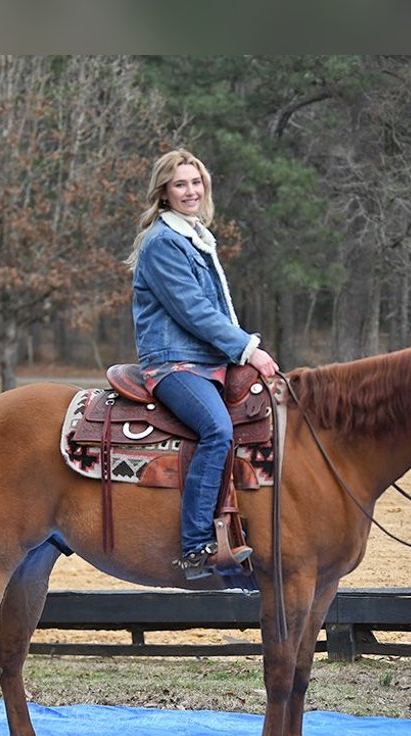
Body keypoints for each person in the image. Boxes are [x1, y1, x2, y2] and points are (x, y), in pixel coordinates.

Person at [125, 148, 280, 580]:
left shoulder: (195, 236)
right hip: (175, 363)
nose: (190, 191)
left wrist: (238, 351)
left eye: (196, 183)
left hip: (206, 361)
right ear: (164, 193)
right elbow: (193, 310)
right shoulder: (163, 242)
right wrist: (247, 349)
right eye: (180, 184)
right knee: (217, 430)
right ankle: (196, 546)